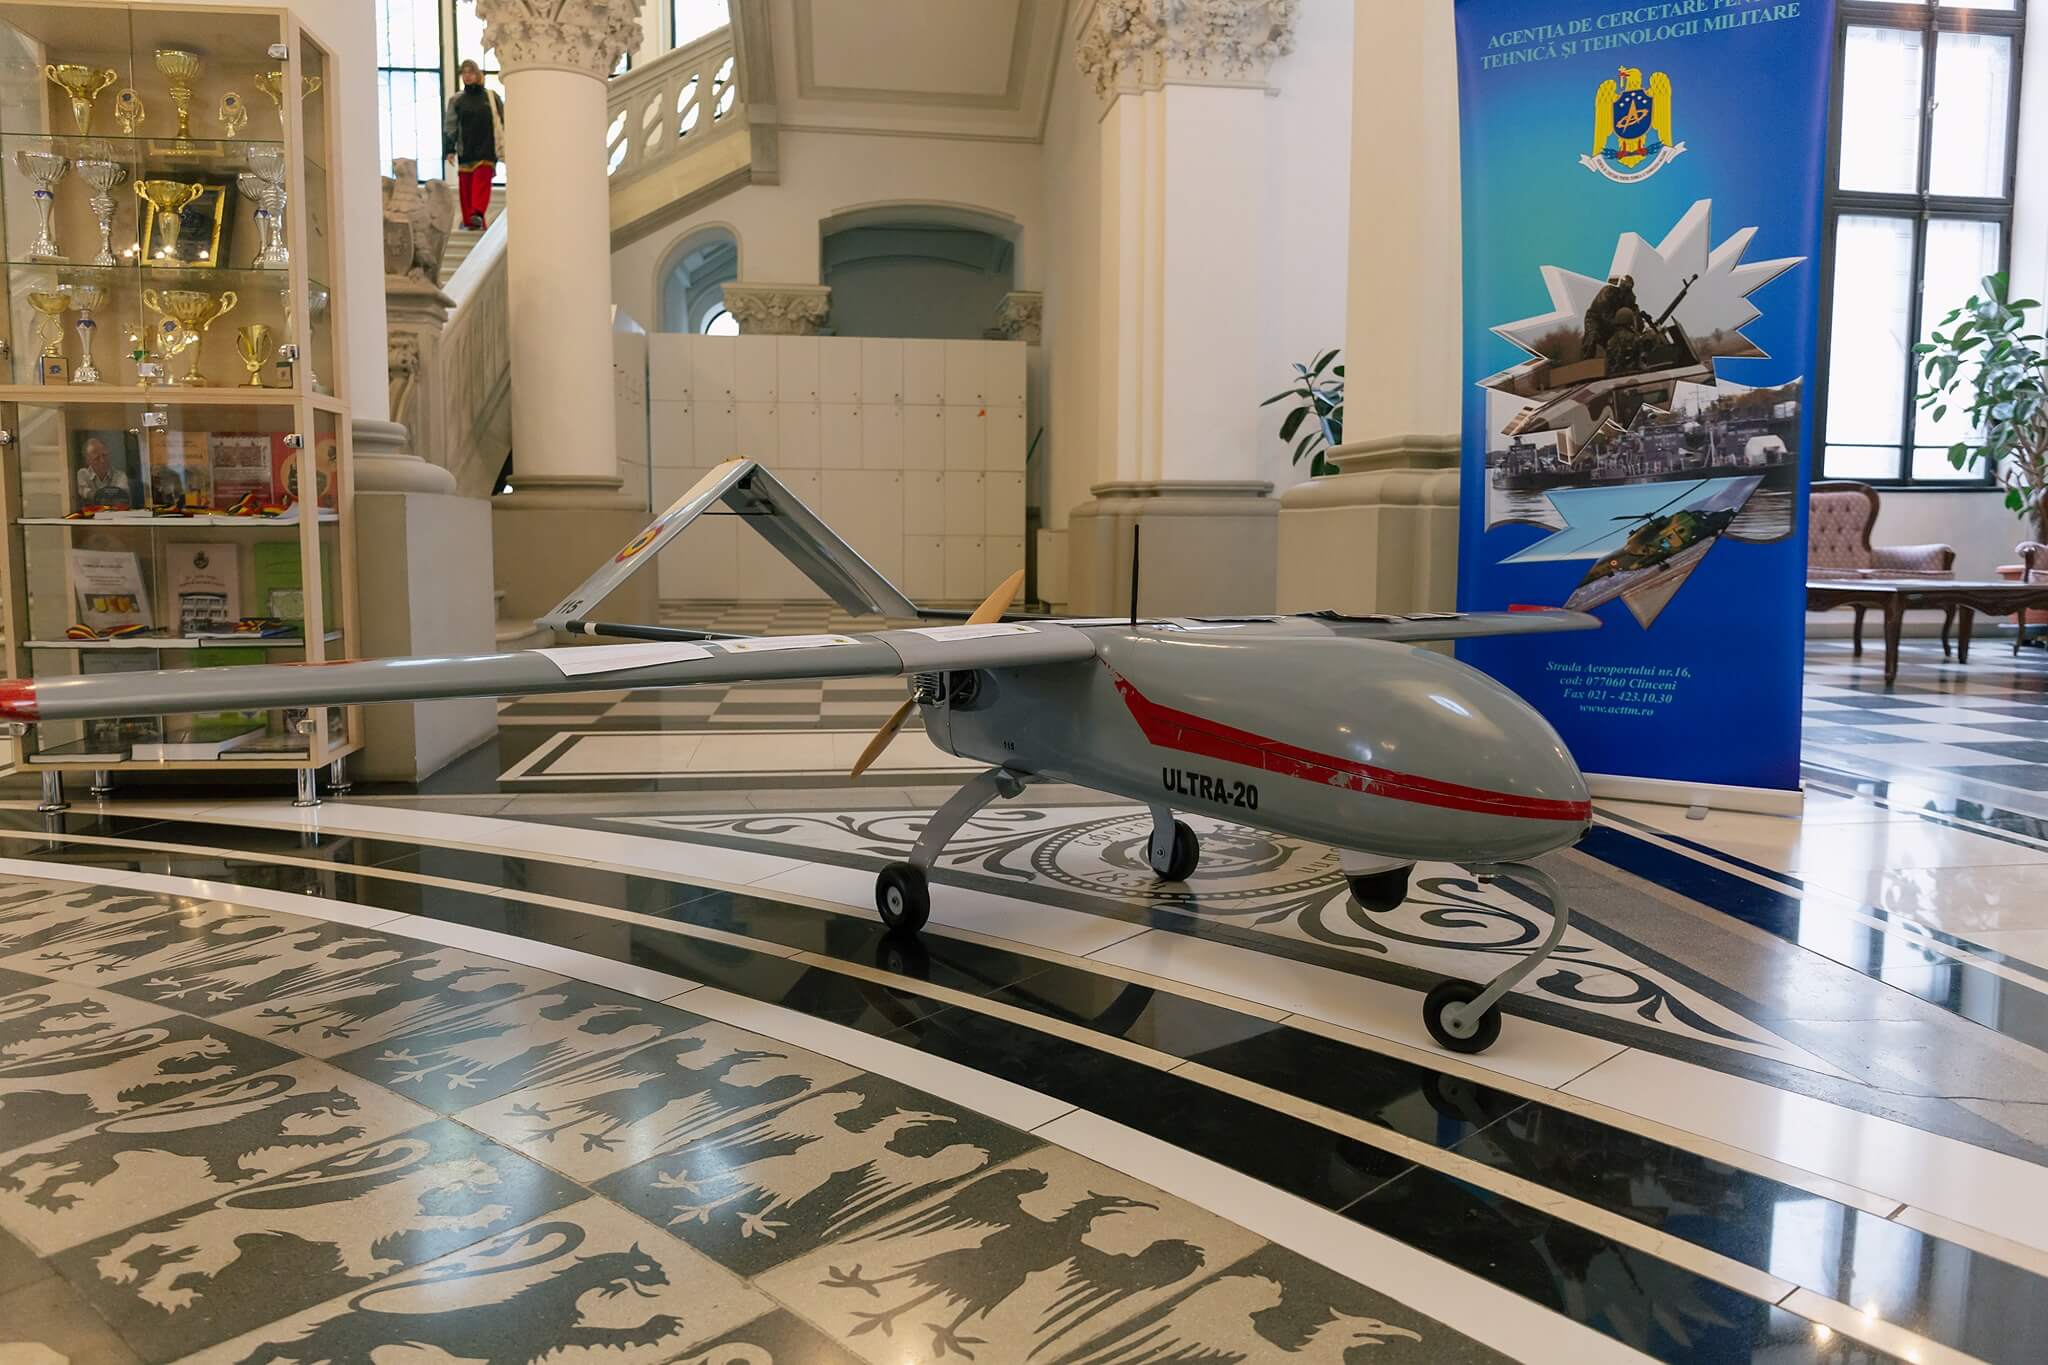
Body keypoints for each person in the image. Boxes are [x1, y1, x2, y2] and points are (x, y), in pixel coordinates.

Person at [443, 59, 504, 231]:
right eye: (464, 72)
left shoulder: (491, 97)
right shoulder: (457, 100)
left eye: (470, 72)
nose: (467, 76)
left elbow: (503, 120)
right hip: (466, 148)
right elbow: (450, 125)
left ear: (478, 74)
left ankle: (478, 213)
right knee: (466, 185)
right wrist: (449, 149)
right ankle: (471, 222)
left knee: (481, 180)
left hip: (487, 148)